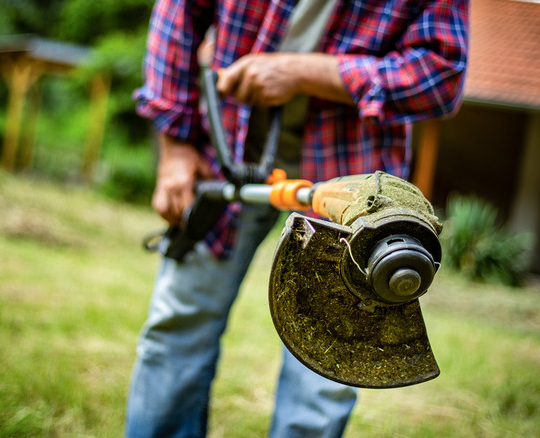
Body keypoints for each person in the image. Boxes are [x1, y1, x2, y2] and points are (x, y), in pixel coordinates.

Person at [126, 0, 468, 436]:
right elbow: (178, 13)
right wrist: (175, 146)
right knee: (178, 327)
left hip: (352, 178)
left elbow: (442, 74)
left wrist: (304, 72)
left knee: (328, 367)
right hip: (229, 147)